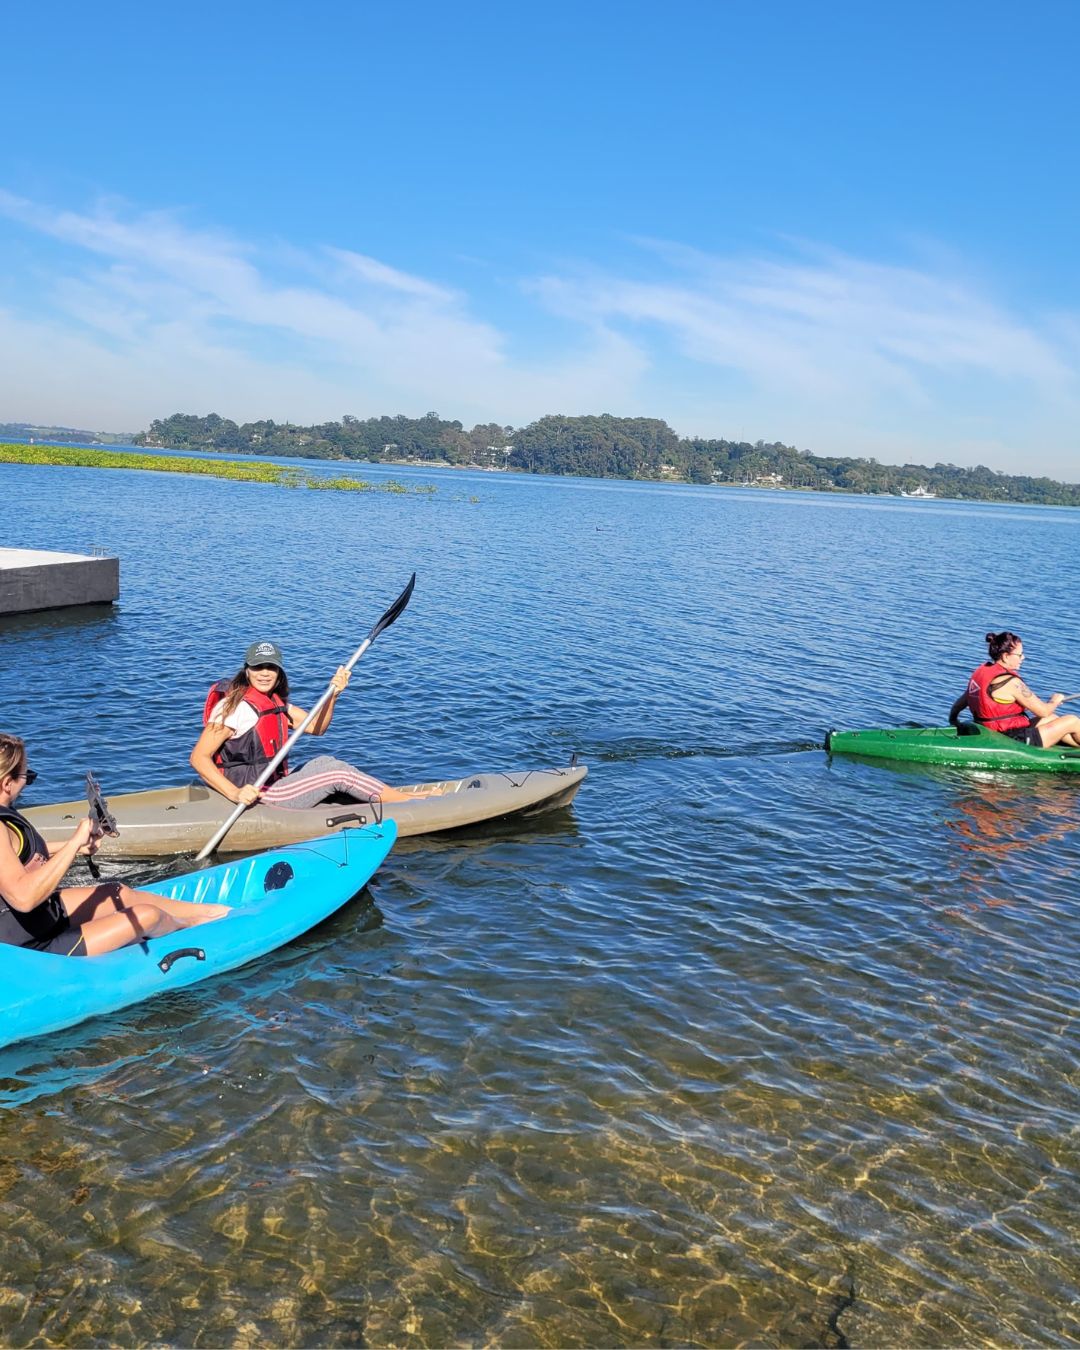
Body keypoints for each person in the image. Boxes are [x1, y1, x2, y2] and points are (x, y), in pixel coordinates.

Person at [0, 734, 229, 956]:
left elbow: (20, 856)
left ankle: (211, 912)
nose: (28, 782)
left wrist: (76, 847)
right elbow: (24, 898)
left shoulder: (6, 814)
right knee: (147, 916)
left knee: (117, 893)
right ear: (7, 783)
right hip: (29, 945)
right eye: (26, 777)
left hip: (42, 915)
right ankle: (194, 927)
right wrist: (74, 843)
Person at [191, 640, 426, 810]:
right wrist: (235, 793)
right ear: (247, 671)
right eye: (257, 667)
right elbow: (199, 757)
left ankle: (399, 796)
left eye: (270, 667)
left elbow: (317, 727)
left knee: (326, 762)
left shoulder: (275, 703)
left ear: (279, 671)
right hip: (256, 793)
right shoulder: (233, 708)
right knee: (335, 773)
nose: (264, 673)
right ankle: (410, 804)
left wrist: (333, 695)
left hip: (273, 781)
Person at [949, 631, 1080, 749]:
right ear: (1006, 656)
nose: (1023, 658)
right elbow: (1043, 711)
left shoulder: (982, 674)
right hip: (1013, 739)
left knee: (1052, 718)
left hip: (991, 732)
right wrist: (1055, 701)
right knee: (1071, 720)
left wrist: (953, 720)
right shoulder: (1011, 682)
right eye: (1020, 654)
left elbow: (959, 704)